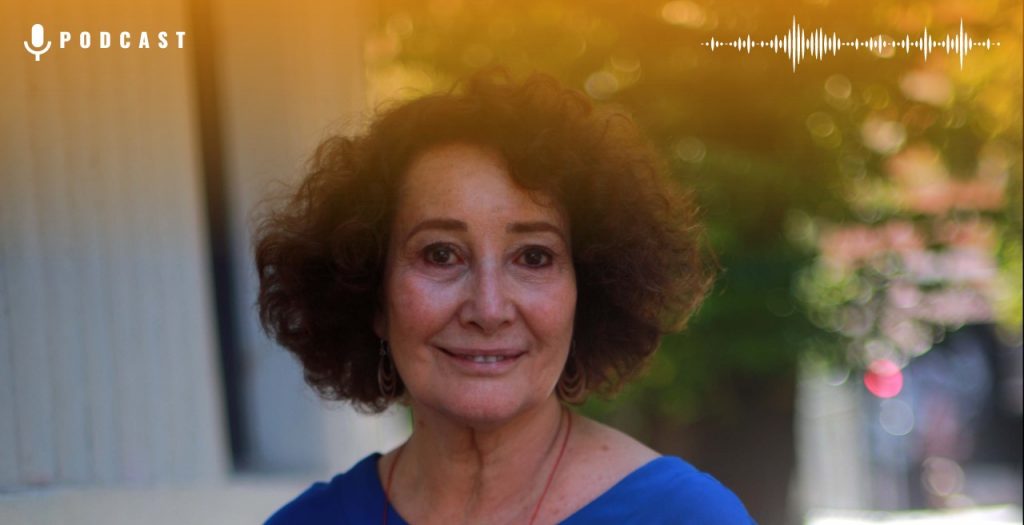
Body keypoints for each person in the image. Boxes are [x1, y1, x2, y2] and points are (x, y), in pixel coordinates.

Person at [256, 70, 754, 524]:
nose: (489, 309)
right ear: (370, 292)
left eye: (533, 257)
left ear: (588, 292)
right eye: (441, 254)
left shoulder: (688, 517)